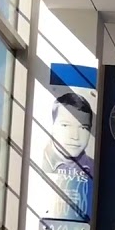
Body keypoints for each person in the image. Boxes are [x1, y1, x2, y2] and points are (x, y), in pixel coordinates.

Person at [41, 91, 95, 221]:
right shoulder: (38, 162)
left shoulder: (95, 168)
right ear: (52, 126)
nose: (75, 136)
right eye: (66, 125)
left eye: (83, 128)